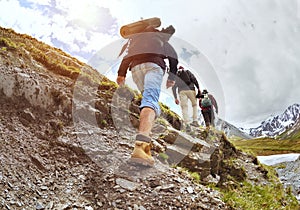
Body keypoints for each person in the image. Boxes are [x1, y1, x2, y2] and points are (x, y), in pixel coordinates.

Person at [116, 24, 178, 166]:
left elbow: (128, 55)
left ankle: (144, 139)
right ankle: (141, 148)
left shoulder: (138, 37)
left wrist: (121, 73)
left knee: (146, 101)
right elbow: (173, 58)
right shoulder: (161, 39)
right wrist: (172, 78)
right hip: (153, 66)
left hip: (136, 69)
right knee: (150, 101)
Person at [172, 66, 201, 131]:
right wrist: (198, 88)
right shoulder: (187, 72)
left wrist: (175, 98)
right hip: (191, 89)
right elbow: (194, 79)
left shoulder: (177, 75)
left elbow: (174, 87)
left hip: (182, 92)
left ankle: (187, 124)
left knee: (184, 107)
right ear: (183, 68)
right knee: (194, 105)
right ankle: (195, 121)